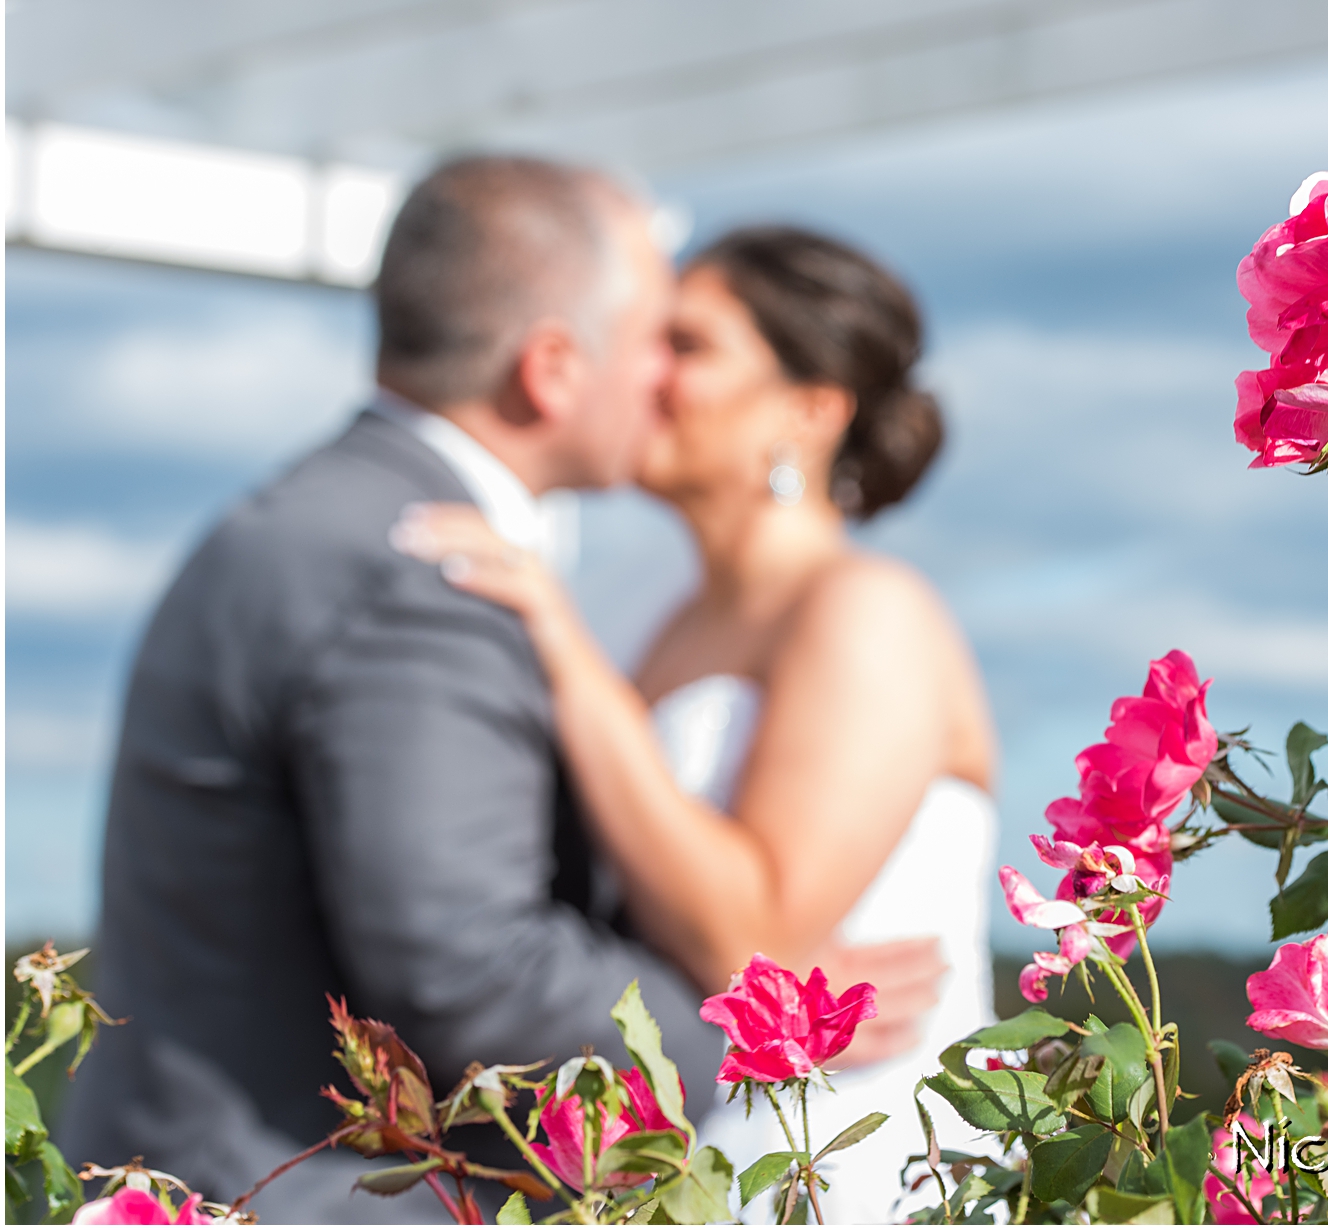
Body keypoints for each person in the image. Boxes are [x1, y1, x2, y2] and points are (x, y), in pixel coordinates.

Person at [62, 161, 945, 1222]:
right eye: (651, 335)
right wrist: (760, 1030)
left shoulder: (342, 529)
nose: (658, 375)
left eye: (687, 344)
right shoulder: (422, 571)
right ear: (552, 368)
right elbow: (465, 965)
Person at [392, 225, 1000, 1222]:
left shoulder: (865, 609)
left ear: (808, 408)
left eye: (688, 345)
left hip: (844, 1161)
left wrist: (565, 655)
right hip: (673, 1158)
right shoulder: (638, 608)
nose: (642, 370)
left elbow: (751, 935)